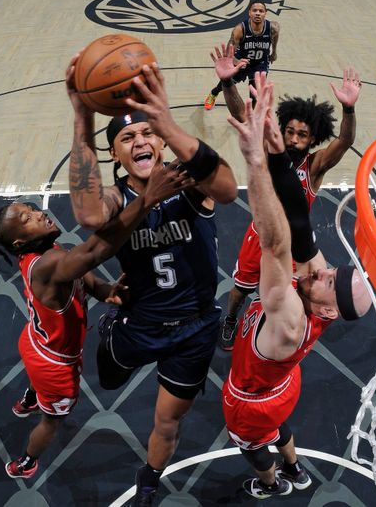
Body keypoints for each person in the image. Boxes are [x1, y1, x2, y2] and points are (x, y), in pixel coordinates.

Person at [65, 55, 238, 506]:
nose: (140, 141)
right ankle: (110, 332)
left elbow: (229, 189)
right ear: (115, 154)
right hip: (139, 321)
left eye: (147, 134)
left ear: (159, 143)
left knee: (167, 423)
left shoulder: (189, 182)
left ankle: (150, 475)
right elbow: (86, 215)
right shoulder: (114, 195)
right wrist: (83, 116)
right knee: (108, 379)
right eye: (128, 137)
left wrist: (166, 120)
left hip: (194, 330)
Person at [0, 162, 192, 480]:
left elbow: (84, 275)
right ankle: (28, 460)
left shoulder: (46, 253)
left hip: (34, 341)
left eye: (31, 209)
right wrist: (147, 198)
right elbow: (97, 250)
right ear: (19, 243)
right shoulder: (50, 264)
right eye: (27, 219)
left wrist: (106, 291)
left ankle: (31, 396)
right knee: (51, 422)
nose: (37, 213)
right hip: (55, 365)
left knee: (39, 383)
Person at [223, 71, 371, 499]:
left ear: (327, 310)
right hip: (284, 389)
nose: (324, 271)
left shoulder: (289, 314)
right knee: (280, 427)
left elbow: (280, 238)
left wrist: (256, 159)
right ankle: (295, 466)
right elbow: (301, 228)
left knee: (253, 446)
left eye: (328, 280)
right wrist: (270, 147)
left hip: (251, 400)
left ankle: (269, 483)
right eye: (331, 270)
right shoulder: (315, 293)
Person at [210, 43, 362, 350]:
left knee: (297, 295)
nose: (293, 138)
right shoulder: (270, 152)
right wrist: (227, 82)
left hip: (296, 246)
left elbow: (345, 141)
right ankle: (230, 319)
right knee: (240, 288)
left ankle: (289, 330)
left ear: (312, 138)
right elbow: (242, 113)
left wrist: (348, 108)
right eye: (290, 131)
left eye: (302, 135)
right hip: (261, 237)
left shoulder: (315, 165)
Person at [204, 2, 279, 110]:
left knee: (255, 94)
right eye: (254, 10)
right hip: (241, 61)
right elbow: (229, 55)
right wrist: (237, 62)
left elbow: (275, 39)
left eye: (261, 11)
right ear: (249, 13)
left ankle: (252, 118)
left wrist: (274, 53)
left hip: (260, 63)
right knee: (227, 83)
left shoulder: (273, 28)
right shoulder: (240, 29)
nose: (258, 13)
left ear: (265, 13)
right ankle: (214, 93)